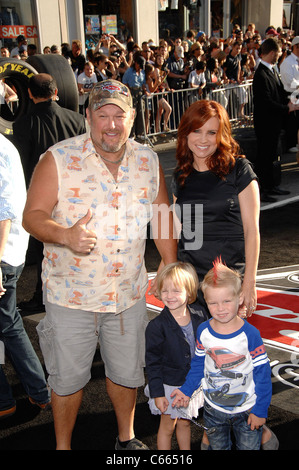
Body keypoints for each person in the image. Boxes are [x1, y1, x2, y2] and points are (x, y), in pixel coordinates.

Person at [22, 79, 177, 450]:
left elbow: (163, 216)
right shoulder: (57, 159)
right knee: (67, 381)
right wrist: (64, 235)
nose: (111, 124)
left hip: (128, 295)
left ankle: (126, 437)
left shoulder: (148, 160)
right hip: (70, 297)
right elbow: (33, 215)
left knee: (127, 374)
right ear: (88, 116)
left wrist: (170, 265)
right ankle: (63, 446)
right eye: (102, 114)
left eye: (118, 115)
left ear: (133, 118)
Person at [171, 259, 273, 450]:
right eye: (213, 303)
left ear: (239, 299)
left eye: (227, 301)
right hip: (213, 411)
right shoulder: (203, 331)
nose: (220, 308)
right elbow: (198, 365)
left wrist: (260, 409)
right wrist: (186, 390)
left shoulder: (250, 335)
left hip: (248, 409)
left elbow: (263, 375)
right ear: (206, 302)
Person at [172, 99, 260, 319]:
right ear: (185, 133)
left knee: (228, 352)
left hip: (227, 286)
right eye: (197, 131)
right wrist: (168, 278)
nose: (203, 139)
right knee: (191, 352)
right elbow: (174, 233)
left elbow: (252, 230)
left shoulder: (239, 170)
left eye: (212, 132)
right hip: (190, 286)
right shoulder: (180, 176)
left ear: (221, 135)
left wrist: (249, 282)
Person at [12, 73, 86, 315]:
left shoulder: (23, 124)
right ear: (56, 92)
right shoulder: (76, 119)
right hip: (74, 195)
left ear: (30, 94)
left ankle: (43, 297)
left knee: (47, 250)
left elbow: (22, 165)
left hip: (40, 198)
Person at [0, 134, 50, 419]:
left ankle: (20, 396)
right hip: (10, 254)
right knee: (7, 324)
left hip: (4, 256)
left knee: (8, 325)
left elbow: (3, 211)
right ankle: (30, 392)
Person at [145, 262, 205, 450]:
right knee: (167, 426)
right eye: (165, 291)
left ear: (189, 292)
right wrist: (157, 393)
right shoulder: (156, 326)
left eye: (176, 291)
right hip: (169, 385)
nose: (169, 296)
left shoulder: (200, 316)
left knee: (185, 423)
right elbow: (152, 363)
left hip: (191, 383)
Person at [253, 37, 299, 202]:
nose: (280, 56)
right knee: (264, 157)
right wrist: (287, 108)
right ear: (272, 52)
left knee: (272, 156)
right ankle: (262, 190)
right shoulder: (260, 74)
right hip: (265, 123)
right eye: (278, 53)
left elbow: (279, 92)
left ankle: (271, 185)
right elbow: (266, 102)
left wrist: (289, 101)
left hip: (274, 123)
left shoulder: (272, 70)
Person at [279, 36, 299, 153]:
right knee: (293, 120)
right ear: (296, 47)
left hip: (297, 92)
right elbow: (289, 81)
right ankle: (291, 143)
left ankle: (296, 141)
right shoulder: (288, 62)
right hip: (291, 93)